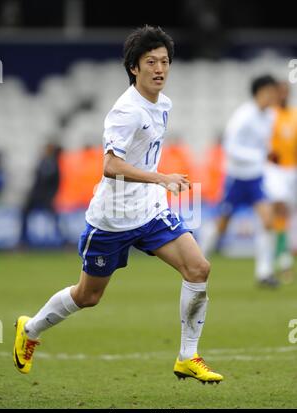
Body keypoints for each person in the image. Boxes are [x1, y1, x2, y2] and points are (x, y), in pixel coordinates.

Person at [13, 25, 223, 384]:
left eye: (165, 61)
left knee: (198, 269)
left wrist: (157, 185)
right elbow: (110, 165)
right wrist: (162, 178)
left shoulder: (164, 104)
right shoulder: (125, 112)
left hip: (151, 211)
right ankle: (30, 329)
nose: (160, 69)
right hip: (112, 220)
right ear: (134, 68)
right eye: (151, 62)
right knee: (88, 296)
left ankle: (188, 356)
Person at [201, 75, 279, 287]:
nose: (272, 96)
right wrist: (260, 156)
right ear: (259, 92)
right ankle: (198, 260)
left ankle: (264, 273)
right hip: (236, 178)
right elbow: (230, 148)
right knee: (221, 225)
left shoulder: (270, 116)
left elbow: (264, 144)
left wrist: (268, 154)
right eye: (269, 91)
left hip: (256, 179)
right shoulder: (243, 116)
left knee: (268, 221)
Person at [264, 81, 297, 283]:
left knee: (289, 215)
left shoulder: (294, 115)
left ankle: (283, 254)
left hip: (293, 170)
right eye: (280, 92)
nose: (283, 95)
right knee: (280, 209)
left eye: (286, 91)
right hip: (275, 170)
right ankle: (283, 260)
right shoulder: (270, 115)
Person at [20, 141, 62, 245]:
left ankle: (61, 239)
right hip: (36, 195)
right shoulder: (43, 161)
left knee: (54, 217)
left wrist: (51, 196)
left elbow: (55, 183)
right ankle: (23, 239)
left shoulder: (53, 164)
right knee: (25, 213)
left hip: (46, 196)